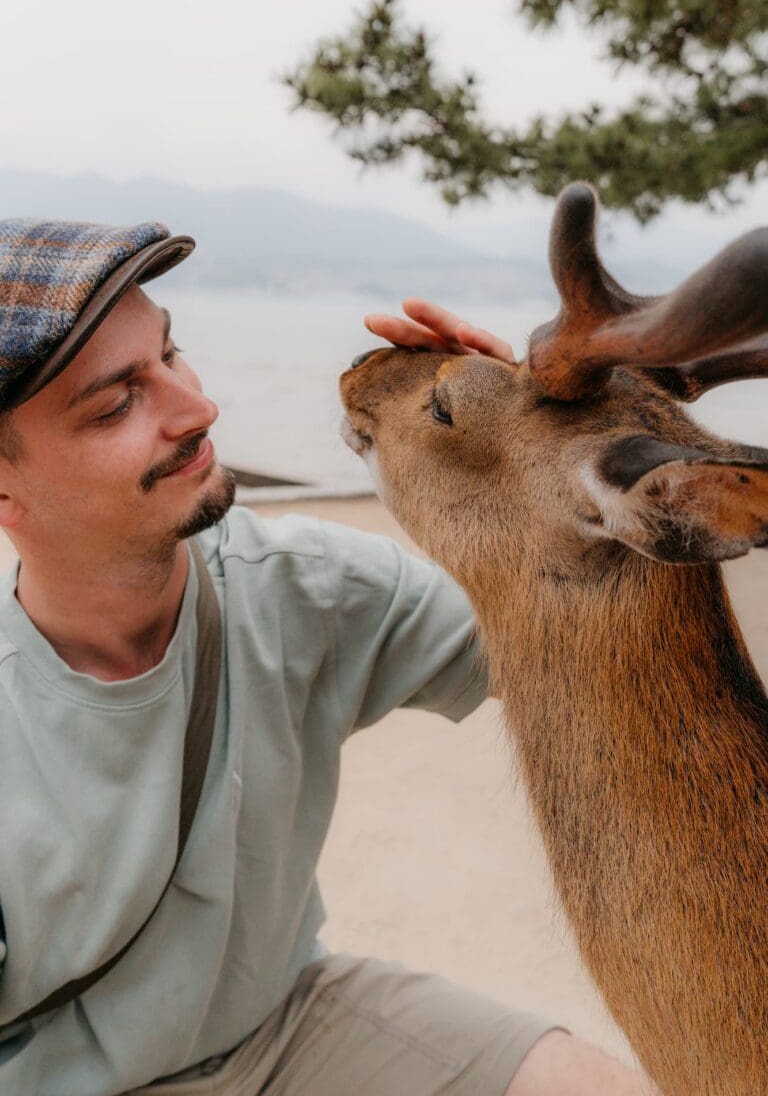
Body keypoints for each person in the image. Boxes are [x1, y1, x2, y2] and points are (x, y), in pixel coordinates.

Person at [0, 218, 656, 1095]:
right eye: (117, 403)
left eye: (171, 354)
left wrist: (518, 439)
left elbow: (576, 654)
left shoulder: (303, 585)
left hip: (283, 1021)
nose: (197, 409)